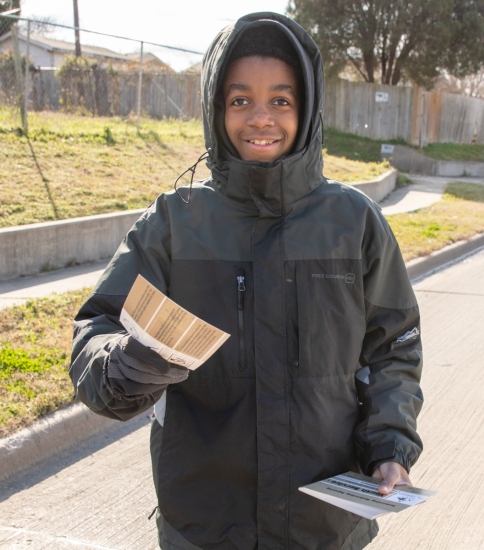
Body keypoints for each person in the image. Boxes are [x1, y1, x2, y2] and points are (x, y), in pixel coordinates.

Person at [69, 13, 423, 549]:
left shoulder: (354, 222)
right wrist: (123, 362)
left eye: (280, 100)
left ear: (305, 109)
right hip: (205, 524)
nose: (261, 118)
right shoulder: (174, 223)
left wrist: (390, 449)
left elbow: (393, 349)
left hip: (323, 527)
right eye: (241, 101)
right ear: (217, 109)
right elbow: (96, 329)